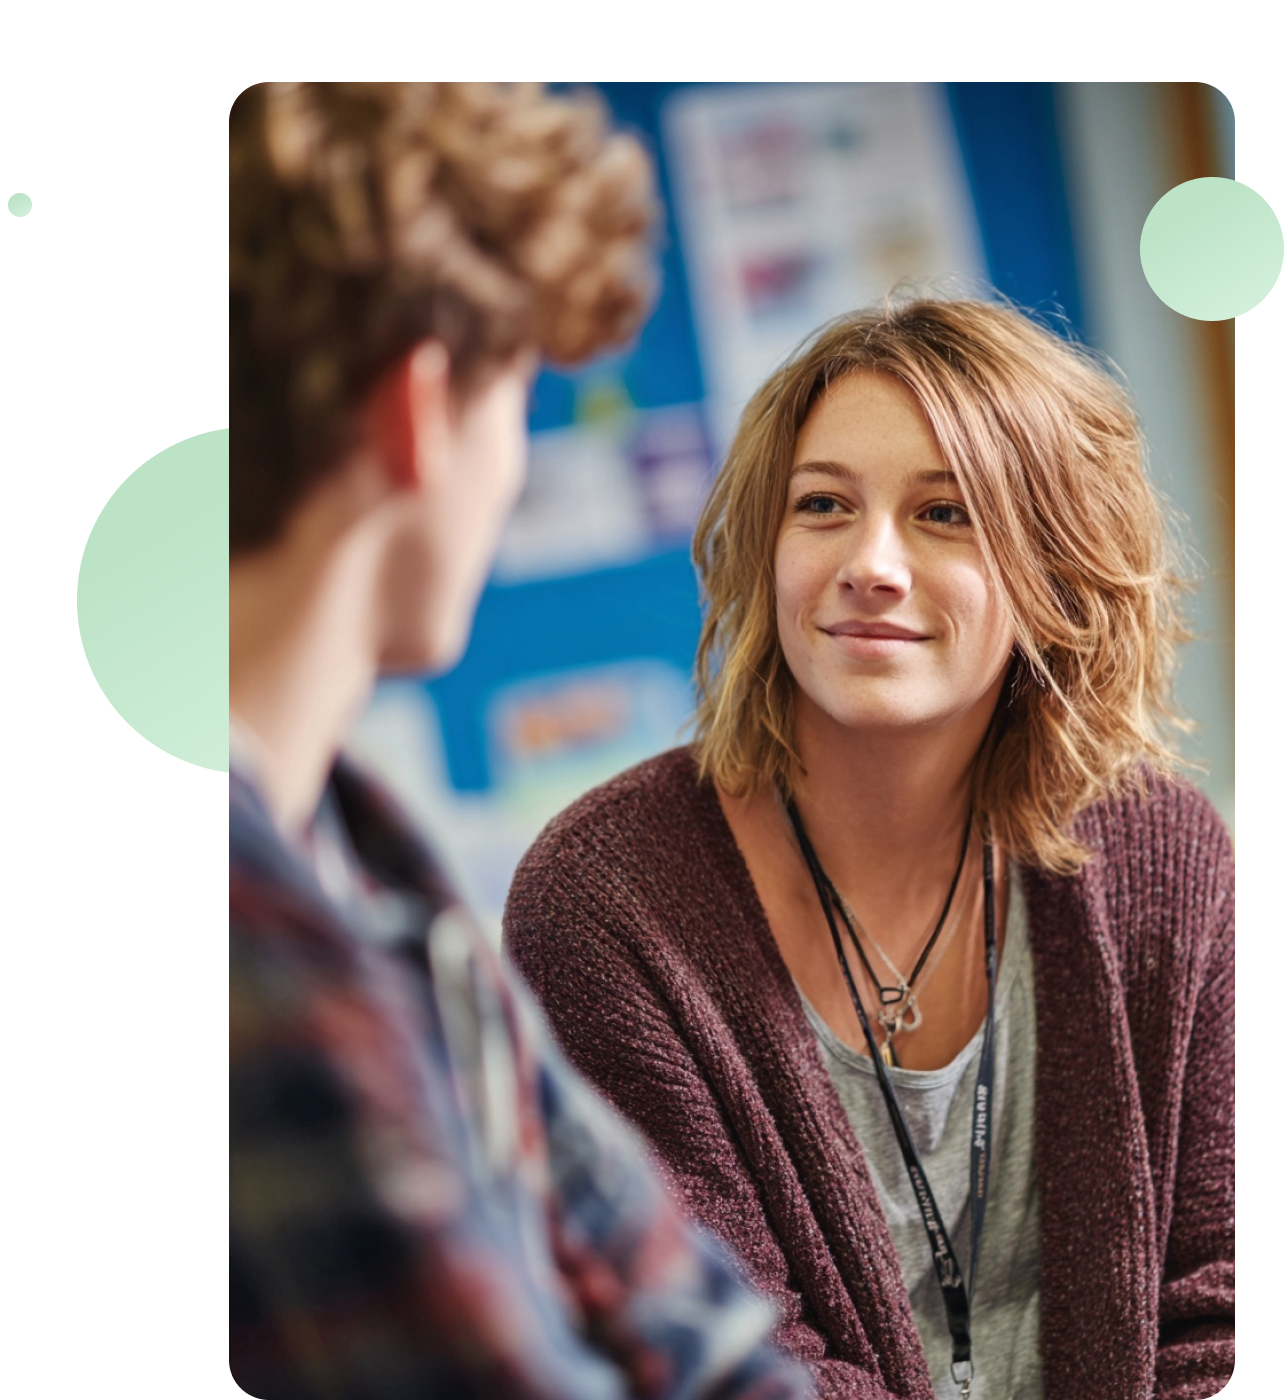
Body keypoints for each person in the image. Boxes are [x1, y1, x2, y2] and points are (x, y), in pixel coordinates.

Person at [505, 298, 1234, 1400]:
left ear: (1058, 567)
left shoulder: (1167, 857)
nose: (872, 563)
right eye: (824, 505)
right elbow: (717, 1354)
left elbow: (1220, 1305)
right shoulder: (602, 898)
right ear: (769, 546)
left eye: (945, 511)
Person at [229, 81, 808, 1400]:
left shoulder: (362, 854)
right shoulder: (230, 924)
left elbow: (700, 1330)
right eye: (520, 404)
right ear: (421, 410)